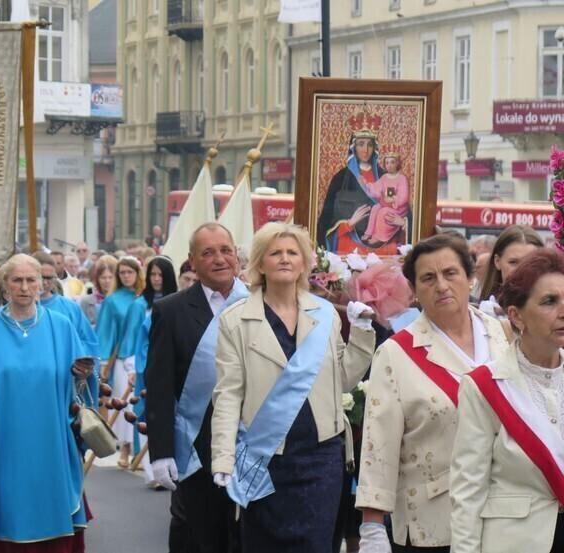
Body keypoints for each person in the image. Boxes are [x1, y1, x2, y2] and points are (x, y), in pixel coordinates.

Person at [211, 222, 376, 551]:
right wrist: (223, 458)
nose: (284, 259)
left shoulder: (327, 314)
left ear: (304, 262)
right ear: (260, 263)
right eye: (275, 253)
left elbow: (342, 381)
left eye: (292, 252)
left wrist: (361, 333)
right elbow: (228, 395)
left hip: (321, 458)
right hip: (264, 457)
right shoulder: (235, 320)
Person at [356, 233, 513, 552]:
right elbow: (379, 445)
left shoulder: (500, 333)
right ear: (413, 290)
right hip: (434, 523)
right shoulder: (396, 353)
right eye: (428, 278)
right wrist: (372, 528)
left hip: (505, 517)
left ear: (470, 278)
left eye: (450, 273)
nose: (441, 285)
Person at [0, 254, 96, 552]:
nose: (24, 287)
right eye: (17, 280)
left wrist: (83, 375)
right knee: (8, 515)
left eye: (30, 280)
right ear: (5, 286)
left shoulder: (62, 325)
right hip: (3, 440)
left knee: (52, 509)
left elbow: (79, 387)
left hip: (51, 438)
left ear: (41, 284)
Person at [450, 249, 564, 553]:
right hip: (518, 542)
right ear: (516, 315)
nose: (563, 311)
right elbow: (468, 490)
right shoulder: (485, 387)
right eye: (550, 302)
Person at [146, 222, 243, 552]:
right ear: (192, 261)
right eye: (208, 252)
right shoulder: (170, 310)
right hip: (198, 446)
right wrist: (160, 453)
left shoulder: (262, 302)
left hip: (253, 441)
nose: (219, 259)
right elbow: (158, 386)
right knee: (198, 536)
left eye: (225, 250)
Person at [317, 113, 409, 255]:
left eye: (369, 145)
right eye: (361, 144)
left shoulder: (386, 176)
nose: (366, 150)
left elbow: (402, 208)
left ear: (375, 148)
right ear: (353, 147)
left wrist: (402, 223)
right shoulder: (341, 179)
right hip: (349, 247)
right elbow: (326, 222)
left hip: (383, 248)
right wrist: (348, 224)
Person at [124, 257, 179, 485]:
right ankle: (152, 471)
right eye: (153, 275)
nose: (157, 279)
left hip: (174, 367)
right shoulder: (140, 305)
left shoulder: (178, 302)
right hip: (148, 365)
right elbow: (139, 340)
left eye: (160, 275)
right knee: (150, 416)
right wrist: (137, 367)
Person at [94, 256, 145, 467]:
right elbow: (105, 332)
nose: (126, 276)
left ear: (138, 273)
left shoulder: (144, 297)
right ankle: (125, 448)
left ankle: (141, 451)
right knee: (125, 404)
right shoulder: (112, 300)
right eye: (122, 272)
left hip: (145, 357)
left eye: (129, 272)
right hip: (124, 359)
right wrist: (103, 363)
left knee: (142, 402)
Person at [33, 252, 100, 357]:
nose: (45, 283)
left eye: (49, 278)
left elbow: (88, 342)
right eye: (41, 278)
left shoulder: (70, 308)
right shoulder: (18, 308)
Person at [477, 225, 543, 317]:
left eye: (529, 263)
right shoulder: (481, 315)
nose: (521, 270)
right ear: (497, 261)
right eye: (513, 262)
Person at [361, 149, 410, 246]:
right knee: (375, 208)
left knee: (382, 212)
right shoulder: (384, 177)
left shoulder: (401, 178)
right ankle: (369, 232)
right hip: (386, 205)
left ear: (397, 164)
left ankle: (379, 237)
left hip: (398, 208)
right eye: (387, 163)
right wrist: (368, 184)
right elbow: (377, 188)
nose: (389, 165)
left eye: (392, 162)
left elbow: (404, 197)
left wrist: (393, 199)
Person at [79, 255, 117, 326]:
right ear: (97, 279)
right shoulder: (86, 301)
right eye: (103, 278)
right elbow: (81, 328)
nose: (107, 281)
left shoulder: (122, 300)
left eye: (110, 277)